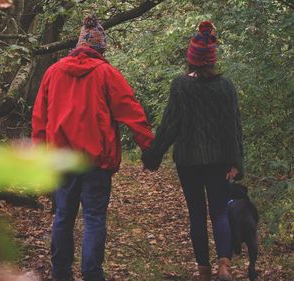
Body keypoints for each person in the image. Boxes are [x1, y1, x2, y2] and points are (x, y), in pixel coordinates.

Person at [32, 16, 154, 281]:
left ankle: (61, 272)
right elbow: (131, 111)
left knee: (63, 215)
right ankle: (91, 274)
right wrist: (149, 146)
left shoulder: (53, 72)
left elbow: (39, 119)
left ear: (78, 44)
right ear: (100, 48)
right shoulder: (107, 73)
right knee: (94, 218)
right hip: (96, 161)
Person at [141, 21, 244, 281]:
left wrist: (153, 155)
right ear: (212, 59)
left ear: (191, 59)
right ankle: (224, 265)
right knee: (219, 211)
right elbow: (233, 127)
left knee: (196, 214)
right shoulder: (226, 87)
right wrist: (236, 161)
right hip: (220, 159)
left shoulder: (181, 86)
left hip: (189, 161)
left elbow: (170, 125)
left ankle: (203, 272)